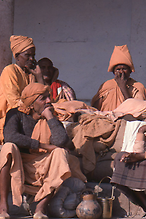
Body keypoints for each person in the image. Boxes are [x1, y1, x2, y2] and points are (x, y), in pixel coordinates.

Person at [0, 83, 86, 219]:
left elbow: (61, 142)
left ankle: (41, 208)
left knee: (60, 152)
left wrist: (50, 117)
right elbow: (10, 136)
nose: (48, 101)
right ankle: (3, 207)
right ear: (32, 103)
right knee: (8, 147)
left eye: (48, 97)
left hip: (43, 166)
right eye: (43, 99)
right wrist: (43, 146)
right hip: (19, 165)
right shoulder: (16, 114)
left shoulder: (50, 117)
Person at [0, 35, 43, 144]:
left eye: (33, 55)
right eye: (27, 55)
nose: (31, 59)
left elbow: (42, 97)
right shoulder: (10, 71)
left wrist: (39, 76)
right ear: (17, 56)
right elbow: (14, 102)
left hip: (29, 116)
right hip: (11, 118)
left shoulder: (31, 75)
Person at [91, 45, 146, 111]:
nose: (121, 72)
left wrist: (122, 87)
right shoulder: (106, 85)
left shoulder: (138, 87)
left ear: (130, 71)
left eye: (124, 69)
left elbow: (137, 111)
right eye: (118, 69)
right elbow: (95, 108)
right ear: (113, 72)